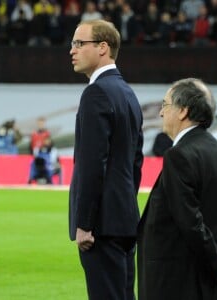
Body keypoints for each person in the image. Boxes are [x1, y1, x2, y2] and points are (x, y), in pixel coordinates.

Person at [137, 78, 217, 300]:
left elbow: (190, 221)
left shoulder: (179, 155)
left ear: (183, 111)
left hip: (176, 281)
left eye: (165, 106)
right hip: (202, 281)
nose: (162, 113)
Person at [68, 19, 144, 300]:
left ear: (103, 48)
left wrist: (85, 223)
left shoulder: (96, 93)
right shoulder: (128, 93)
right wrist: (123, 203)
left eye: (79, 43)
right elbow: (136, 161)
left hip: (101, 226)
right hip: (124, 219)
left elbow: (91, 164)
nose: (72, 50)